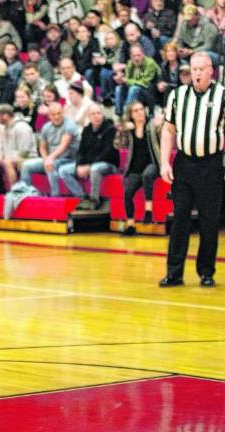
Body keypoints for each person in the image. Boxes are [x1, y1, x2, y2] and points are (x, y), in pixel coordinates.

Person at [159, 52, 225, 288]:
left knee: (209, 221)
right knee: (180, 219)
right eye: (193, 69)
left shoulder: (222, 95)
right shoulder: (178, 95)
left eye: (201, 69)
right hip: (184, 163)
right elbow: (168, 130)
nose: (196, 73)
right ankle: (174, 272)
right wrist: (164, 162)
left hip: (211, 164)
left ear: (211, 71)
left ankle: (206, 272)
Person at [59, 103, 119, 210]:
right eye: (93, 114)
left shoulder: (110, 129)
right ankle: (81, 196)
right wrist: (79, 165)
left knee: (95, 169)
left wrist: (89, 166)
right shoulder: (86, 130)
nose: (96, 116)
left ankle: (94, 200)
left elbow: (108, 152)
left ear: (102, 114)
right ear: (89, 117)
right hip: (89, 163)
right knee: (63, 170)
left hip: (109, 164)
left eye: (98, 113)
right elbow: (81, 151)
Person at [118, 101, 162, 235]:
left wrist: (161, 124)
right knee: (127, 190)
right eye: (136, 111)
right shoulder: (130, 131)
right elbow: (118, 145)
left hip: (153, 164)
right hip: (135, 167)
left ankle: (148, 211)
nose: (140, 112)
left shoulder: (152, 126)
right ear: (131, 115)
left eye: (141, 109)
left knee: (147, 175)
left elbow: (164, 136)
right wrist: (123, 130)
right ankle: (130, 225)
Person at [21, 102, 80, 196]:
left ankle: (55, 196)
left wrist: (49, 159)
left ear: (63, 112)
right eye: (53, 114)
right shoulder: (46, 127)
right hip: (52, 159)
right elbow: (42, 147)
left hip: (68, 159)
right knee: (26, 165)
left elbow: (63, 145)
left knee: (51, 164)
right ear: (49, 115)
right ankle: (26, 194)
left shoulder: (70, 125)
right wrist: (45, 159)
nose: (57, 117)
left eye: (59, 113)